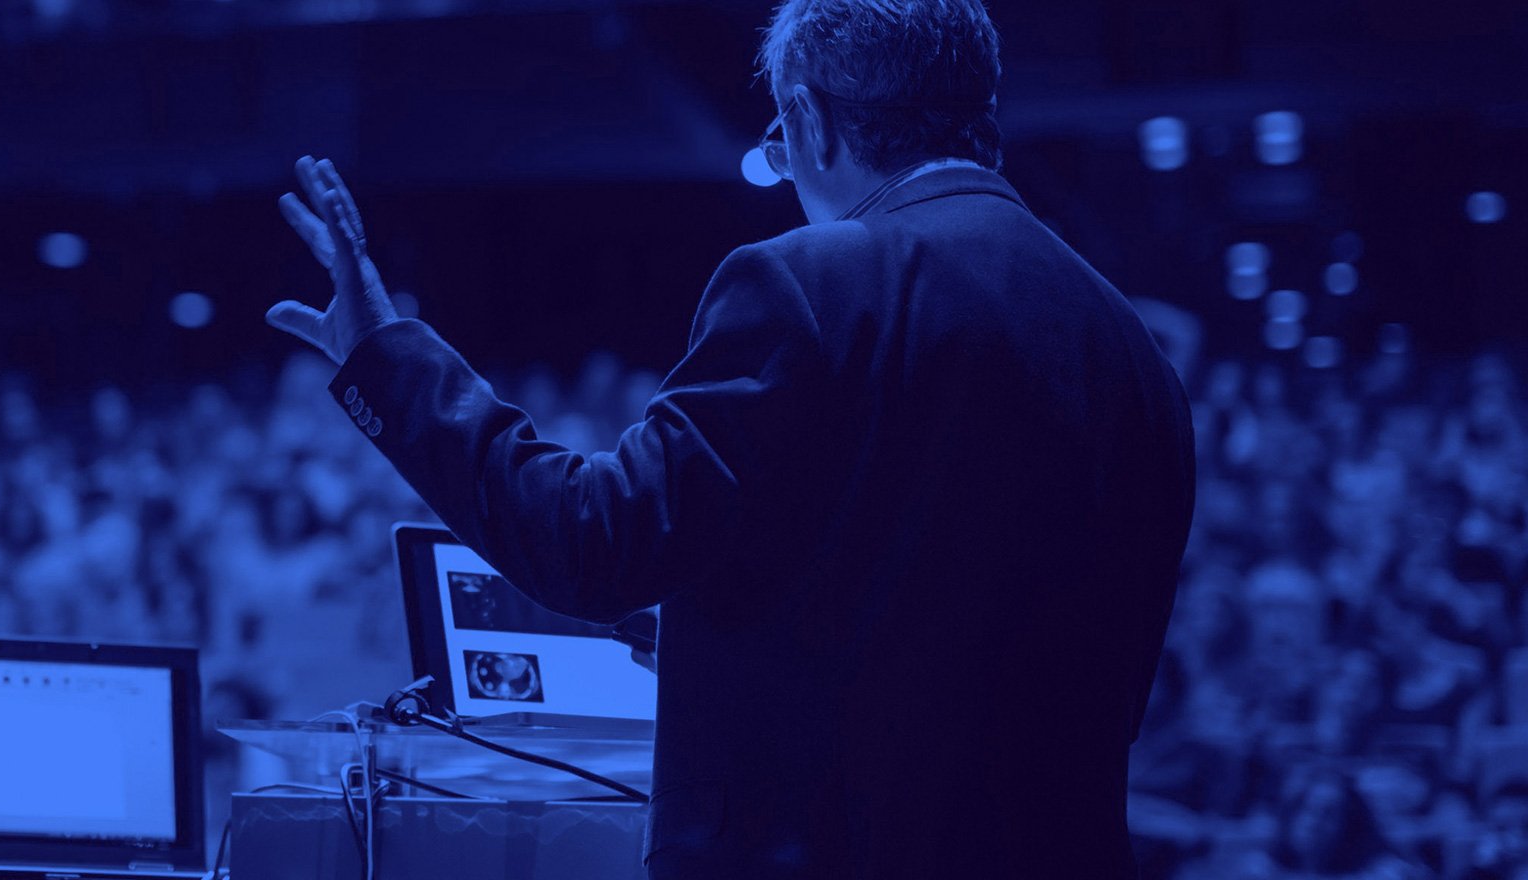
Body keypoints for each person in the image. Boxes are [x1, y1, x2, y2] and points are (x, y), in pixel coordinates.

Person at [264, 0, 1194, 876]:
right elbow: (983, 644)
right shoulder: (1130, 351)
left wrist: (384, 355)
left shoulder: (815, 280)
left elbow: (592, 541)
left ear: (810, 121)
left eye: (780, 142)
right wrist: (728, 644)